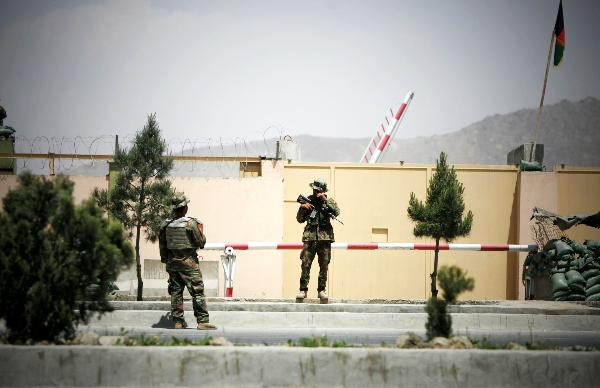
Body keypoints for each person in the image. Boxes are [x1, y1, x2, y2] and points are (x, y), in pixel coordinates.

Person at [158, 195, 217, 330]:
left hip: (172, 264)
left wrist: (165, 259)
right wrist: (203, 235)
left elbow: (162, 245)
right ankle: (202, 321)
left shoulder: (165, 224)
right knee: (197, 292)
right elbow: (200, 242)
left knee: (176, 292)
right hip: (189, 264)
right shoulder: (191, 224)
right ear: (185, 208)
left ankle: (178, 321)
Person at [296, 179, 340, 303]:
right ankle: (303, 290)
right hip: (310, 238)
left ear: (323, 191)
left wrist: (325, 201)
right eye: (314, 189)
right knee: (305, 265)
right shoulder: (307, 200)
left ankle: (321, 290)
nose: (316, 192)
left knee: (324, 266)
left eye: (318, 190)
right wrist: (302, 208)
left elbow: (337, 212)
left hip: (324, 239)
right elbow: (300, 219)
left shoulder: (328, 202)